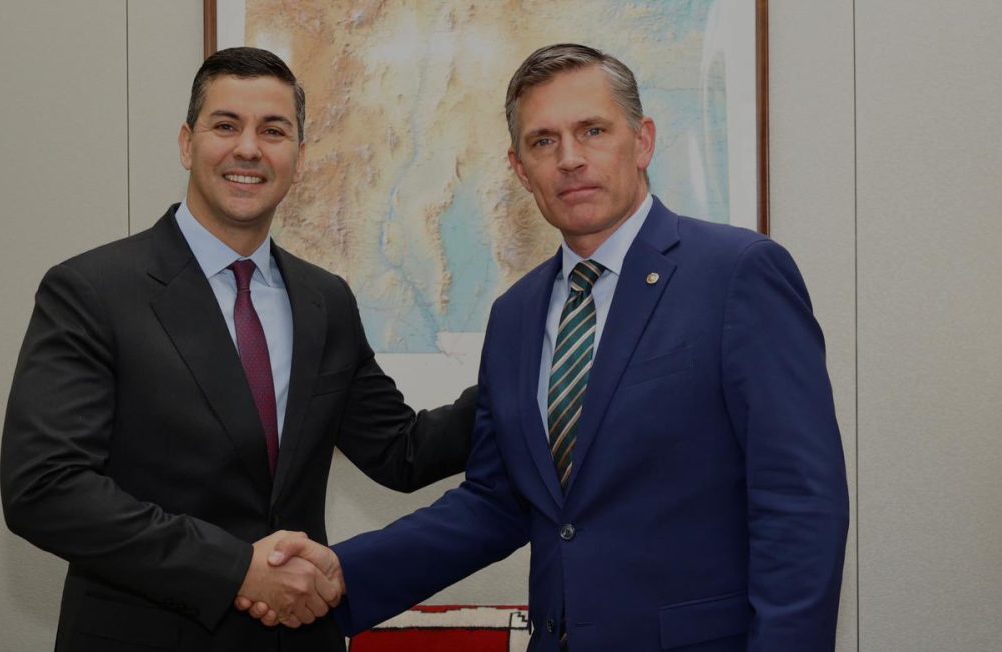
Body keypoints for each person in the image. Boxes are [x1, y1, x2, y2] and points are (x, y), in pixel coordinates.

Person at [257, 43, 850, 650]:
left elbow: (800, 501)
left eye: (592, 130)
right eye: (544, 141)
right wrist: (342, 573)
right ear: (519, 169)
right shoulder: (515, 316)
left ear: (642, 141)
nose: (570, 159)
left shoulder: (737, 275)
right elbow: (496, 502)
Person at [0, 47, 476, 651]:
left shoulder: (324, 300)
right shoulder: (92, 291)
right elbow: (45, 488)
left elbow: (400, 452)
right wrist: (232, 569)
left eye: (273, 131)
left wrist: (531, 376)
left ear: (298, 158)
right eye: (226, 125)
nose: (248, 148)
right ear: (186, 143)